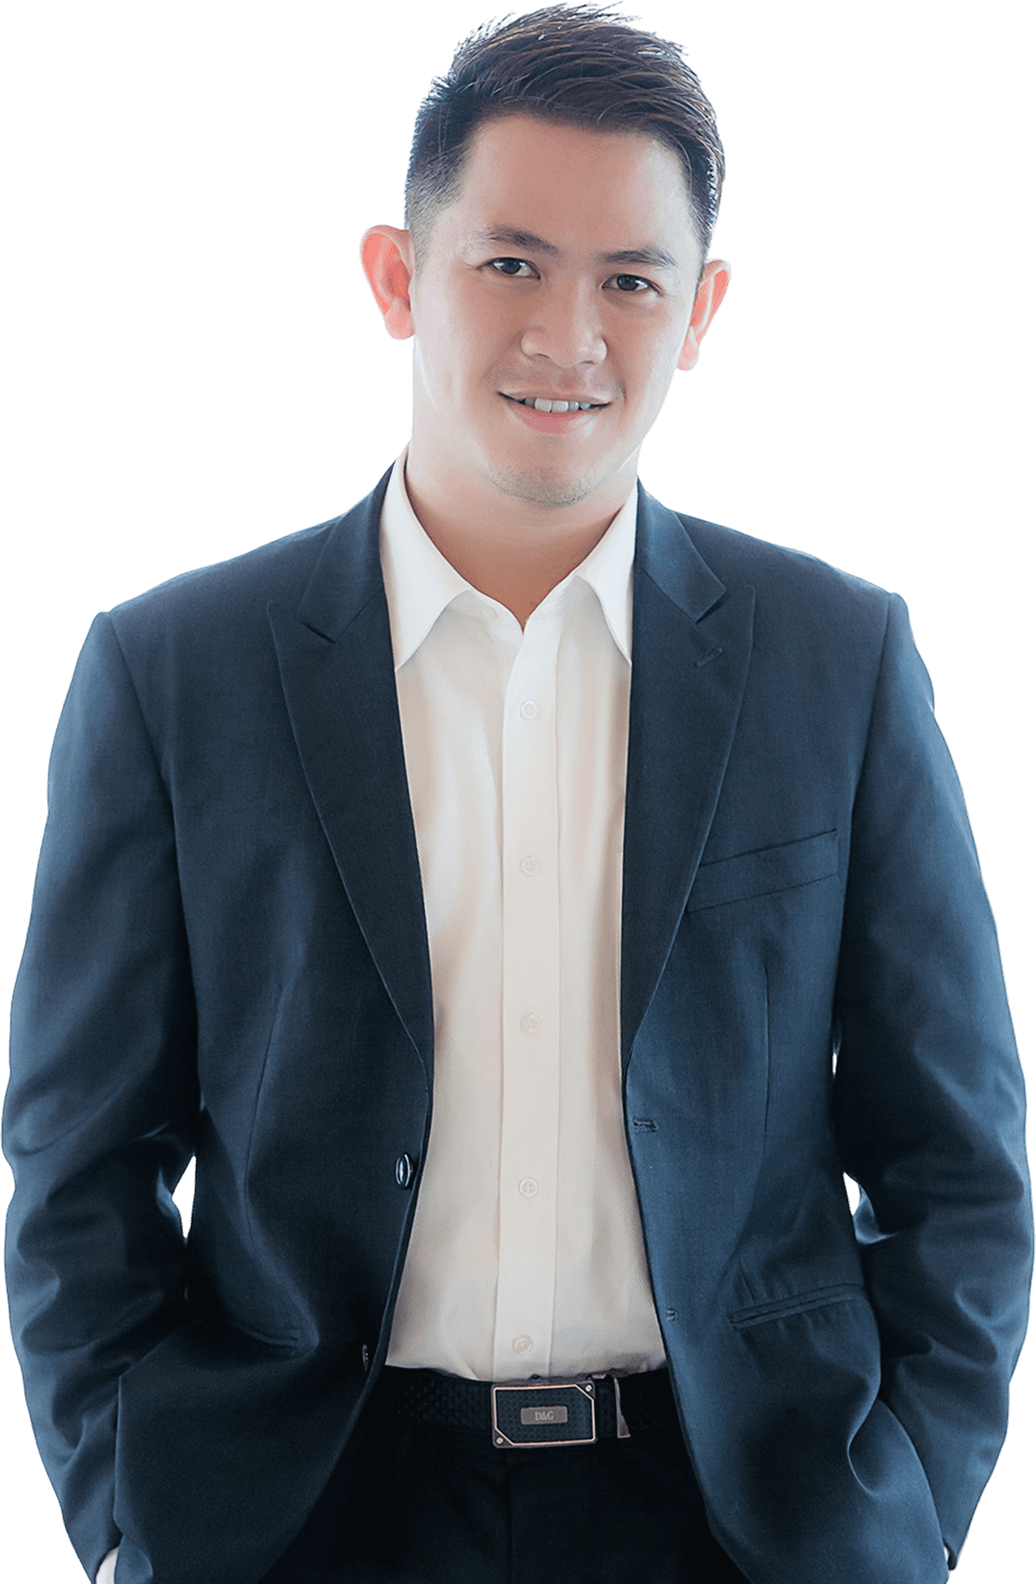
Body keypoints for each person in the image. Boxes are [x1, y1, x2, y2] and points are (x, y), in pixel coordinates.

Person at [4, 6, 1031, 1581]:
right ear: (399, 277)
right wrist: (128, 1530)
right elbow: (80, 1160)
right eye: (511, 264)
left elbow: (955, 1155)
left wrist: (912, 1513)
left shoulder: (839, 658)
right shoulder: (171, 670)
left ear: (702, 310)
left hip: (741, 1517)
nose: (572, 337)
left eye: (631, 280)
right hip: (310, 1516)